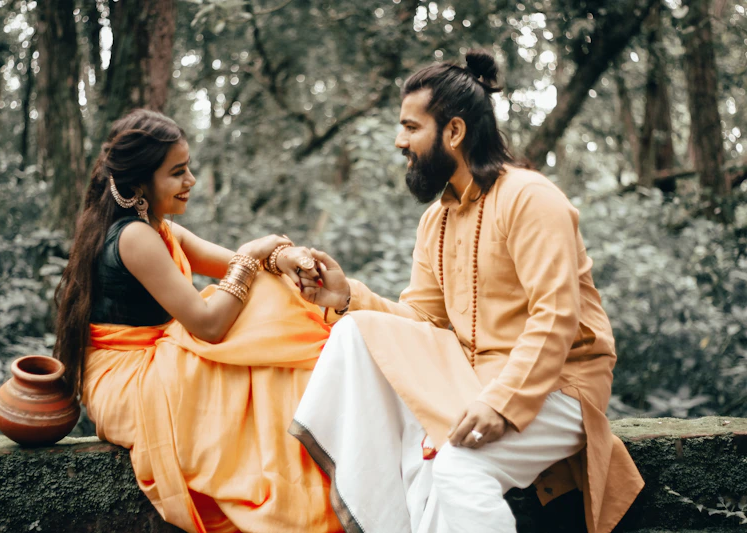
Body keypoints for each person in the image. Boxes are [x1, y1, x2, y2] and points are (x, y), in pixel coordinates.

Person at [292, 49, 644, 533]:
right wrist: (346, 298)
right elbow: (424, 321)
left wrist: (501, 402)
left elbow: (555, 318)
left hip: (559, 387)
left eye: (411, 128)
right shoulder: (435, 221)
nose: (400, 141)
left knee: (457, 465)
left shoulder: (531, 198)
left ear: (454, 132)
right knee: (356, 336)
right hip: (472, 380)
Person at [52, 109, 342, 533]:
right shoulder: (134, 238)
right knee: (246, 309)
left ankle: (306, 450)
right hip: (126, 380)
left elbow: (240, 263)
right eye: (177, 173)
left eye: (187, 169)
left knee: (262, 292)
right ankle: (297, 473)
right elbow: (208, 323)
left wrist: (284, 256)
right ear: (140, 183)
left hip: (154, 360)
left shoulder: (158, 227)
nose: (189, 182)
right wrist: (253, 256)